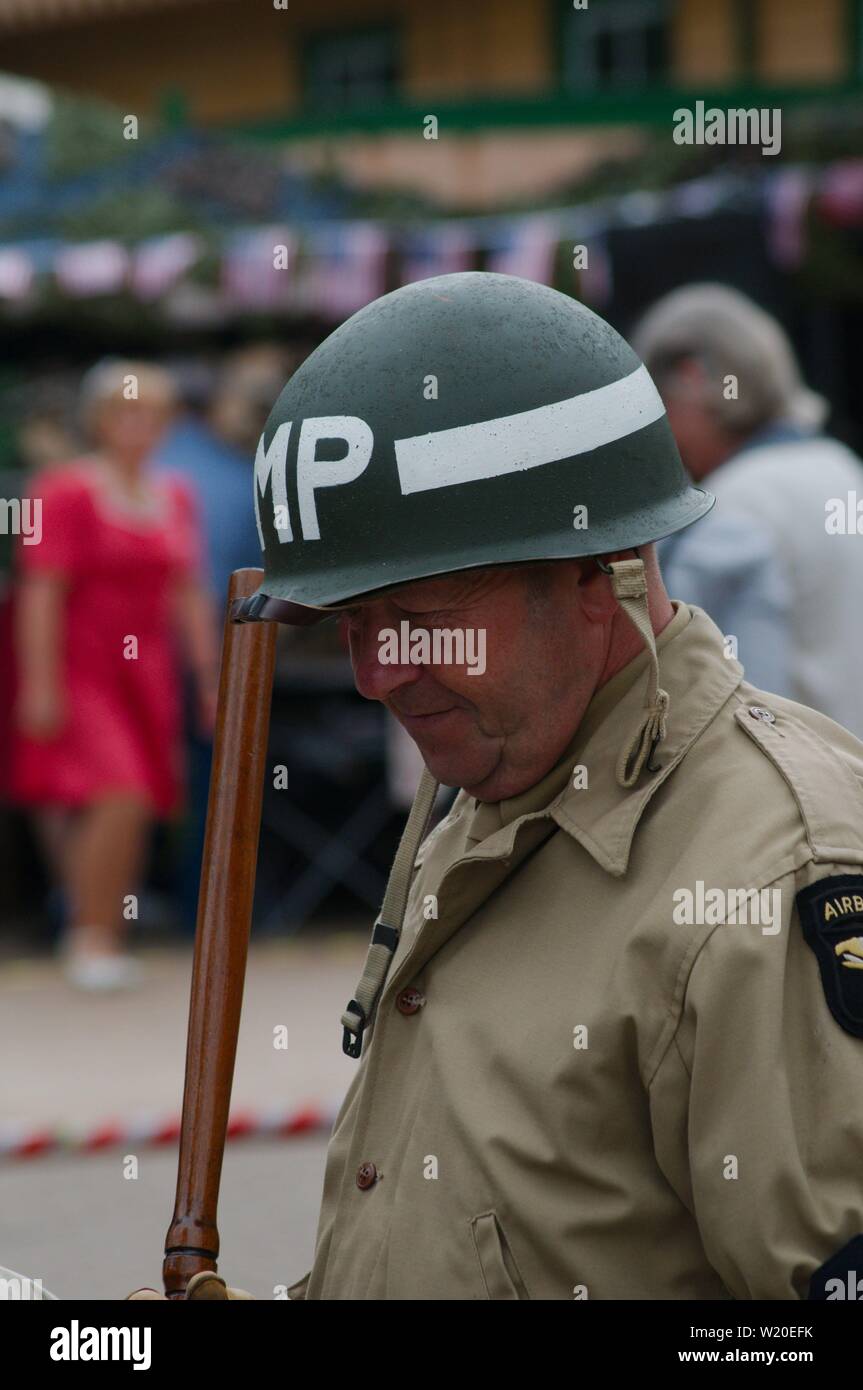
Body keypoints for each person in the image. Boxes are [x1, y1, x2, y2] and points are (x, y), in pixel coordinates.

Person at [134, 272, 863, 1301]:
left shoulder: (776, 869)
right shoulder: (487, 795)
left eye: (418, 612)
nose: (375, 672)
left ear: (598, 566)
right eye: (349, 622)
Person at [10, 360, 217, 989]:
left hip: (147, 669)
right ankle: (91, 934)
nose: (140, 426)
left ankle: (101, 929)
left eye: (152, 414)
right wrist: (38, 685)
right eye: (127, 412)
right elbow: (40, 591)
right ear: (100, 419)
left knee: (136, 800)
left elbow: (189, 592)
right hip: (80, 665)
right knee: (115, 791)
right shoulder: (61, 489)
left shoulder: (176, 494)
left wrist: (209, 678)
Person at [632, 283, 863, 738]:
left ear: (693, 377)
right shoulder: (843, 466)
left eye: (657, 405)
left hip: (804, 788)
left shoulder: (733, 503)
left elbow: (732, 703)